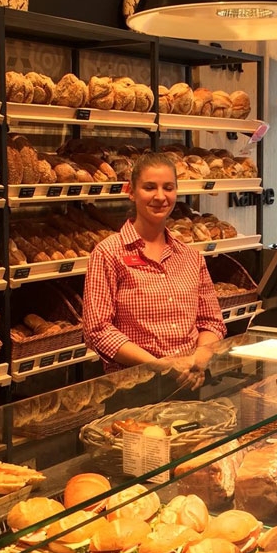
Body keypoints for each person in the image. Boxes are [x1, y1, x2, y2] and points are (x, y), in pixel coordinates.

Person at [83, 152, 226, 390]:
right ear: (131, 191)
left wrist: (197, 361)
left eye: (168, 188)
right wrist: (159, 365)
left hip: (188, 382)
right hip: (133, 388)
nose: (160, 196)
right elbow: (98, 330)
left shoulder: (190, 257)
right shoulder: (108, 253)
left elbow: (211, 322)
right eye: (150, 187)